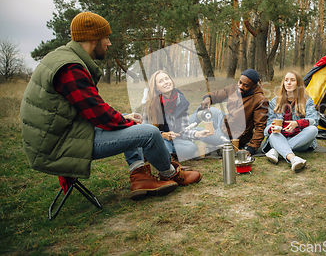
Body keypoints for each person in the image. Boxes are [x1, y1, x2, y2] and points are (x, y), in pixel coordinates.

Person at [20, 11, 201, 201]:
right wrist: (129, 124)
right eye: (106, 37)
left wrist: (124, 119)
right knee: (148, 132)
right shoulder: (71, 68)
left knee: (127, 120)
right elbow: (99, 114)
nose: (109, 43)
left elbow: (89, 108)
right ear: (93, 38)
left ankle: (139, 176)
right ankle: (170, 173)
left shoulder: (63, 58)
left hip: (56, 136)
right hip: (59, 144)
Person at [139, 70, 210, 161]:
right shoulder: (151, 103)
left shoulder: (182, 102)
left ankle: (165, 155)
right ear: (157, 88)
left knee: (190, 147)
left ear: (171, 80)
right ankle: (166, 155)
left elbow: (183, 129)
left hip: (176, 140)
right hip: (159, 140)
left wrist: (197, 133)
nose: (166, 82)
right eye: (161, 81)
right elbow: (145, 131)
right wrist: (163, 135)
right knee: (164, 145)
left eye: (167, 79)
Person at [199, 69, 269, 156]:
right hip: (226, 122)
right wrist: (208, 97)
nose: (240, 86)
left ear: (254, 86)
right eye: (240, 82)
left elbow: (260, 127)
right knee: (203, 106)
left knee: (196, 132)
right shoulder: (233, 88)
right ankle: (184, 129)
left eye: (245, 85)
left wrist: (251, 149)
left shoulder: (260, 100)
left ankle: (183, 135)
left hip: (232, 136)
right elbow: (217, 95)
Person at [264, 71, 319, 172]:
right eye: (286, 80)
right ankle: (293, 159)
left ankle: (277, 151)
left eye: (292, 80)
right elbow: (266, 128)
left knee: (313, 130)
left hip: (300, 140)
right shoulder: (274, 102)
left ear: (298, 83)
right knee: (273, 135)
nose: (288, 83)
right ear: (283, 83)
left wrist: (298, 123)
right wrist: (271, 129)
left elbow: (314, 120)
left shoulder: (307, 101)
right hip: (280, 137)